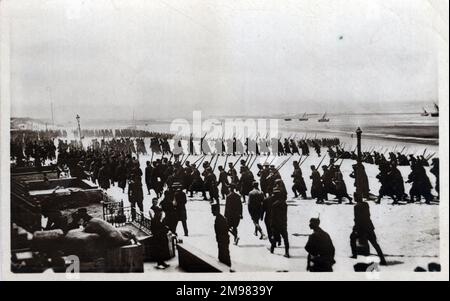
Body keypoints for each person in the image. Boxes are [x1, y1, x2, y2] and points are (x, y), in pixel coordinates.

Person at [350, 194, 387, 265]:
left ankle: (354, 255)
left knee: (352, 238)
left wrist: (355, 229)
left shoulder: (356, 207)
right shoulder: (366, 204)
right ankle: (382, 259)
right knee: (375, 243)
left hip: (361, 229)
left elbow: (357, 219)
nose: (354, 198)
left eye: (355, 197)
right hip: (369, 227)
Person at [150, 205, 171, 269]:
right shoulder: (155, 220)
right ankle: (159, 263)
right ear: (157, 213)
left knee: (162, 251)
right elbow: (156, 229)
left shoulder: (159, 219)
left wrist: (165, 228)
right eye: (160, 212)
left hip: (162, 237)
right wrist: (165, 229)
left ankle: (162, 262)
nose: (161, 213)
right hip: (158, 238)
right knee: (159, 251)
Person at [271, 188, 290, 258]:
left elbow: (273, 216)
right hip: (283, 223)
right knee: (285, 238)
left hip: (276, 224)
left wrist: (272, 225)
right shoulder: (284, 204)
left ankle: (272, 249)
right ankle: (287, 252)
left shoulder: (274, 204)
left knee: (274, 237)